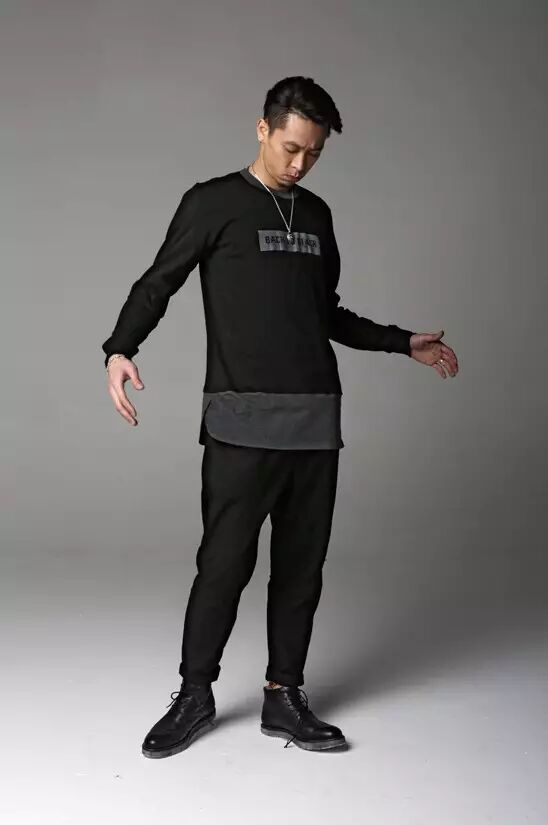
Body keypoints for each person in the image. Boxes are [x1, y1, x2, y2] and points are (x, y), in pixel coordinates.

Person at [102, 75, 459, 758]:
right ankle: (195, 694)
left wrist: (401, 341)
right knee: (223, 565)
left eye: (314, 154)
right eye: (291, 147)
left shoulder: (317, 215)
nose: (300, 164)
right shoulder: (213, 203)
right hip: (239, 422)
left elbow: (326, 314)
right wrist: (121, 348)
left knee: (301, 568)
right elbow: (158, 282)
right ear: (263, 129)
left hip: (315, 421)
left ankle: (283, 696)